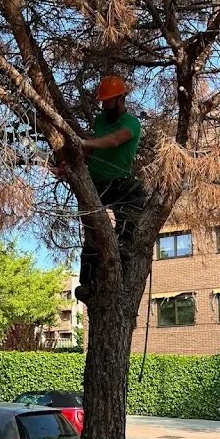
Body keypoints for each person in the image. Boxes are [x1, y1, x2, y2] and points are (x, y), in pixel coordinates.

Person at [74, 74, 145, 302]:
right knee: (92, 235)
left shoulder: (131, 123)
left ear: (120, 98)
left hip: (120, 181)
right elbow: (96, 147)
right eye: (103, 101)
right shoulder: (100, 121)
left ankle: (123, 242)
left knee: (134, 193)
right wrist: (81, 153)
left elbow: (114, 140)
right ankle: (86, 283)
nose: (104, 105)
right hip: (96, 182)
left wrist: (84, 142)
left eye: (108, 101)